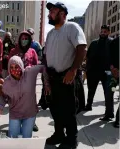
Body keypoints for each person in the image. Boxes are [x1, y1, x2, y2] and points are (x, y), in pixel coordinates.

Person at [44, 2, 87, 149]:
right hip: (53, 78)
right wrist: (46, 80)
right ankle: (58, 134)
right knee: (55, 109)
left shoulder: (72, 27)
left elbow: (81, 48)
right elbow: (45, 57)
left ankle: (71, 139)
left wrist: (73, 70)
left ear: (62, 13)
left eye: (53, 11)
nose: (49, 14)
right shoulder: (50, 34)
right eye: (49, 12)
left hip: (67, 78)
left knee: (68, 111)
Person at [0, 56, 50, 138]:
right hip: (15, 114)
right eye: (11, 67)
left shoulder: (30, 72)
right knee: (13, 139)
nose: (14, 70)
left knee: (26, 139)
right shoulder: (7, 82)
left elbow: (43, 67)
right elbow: (3, 96)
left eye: (17, 66)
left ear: (21, 65)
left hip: (30, 114)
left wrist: (46, 83)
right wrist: (0, 107)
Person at [8, 31, 39, 131]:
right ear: (19, 40)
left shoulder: (32, 51)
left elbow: (36, 65)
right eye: (22, 38)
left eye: (26, 39)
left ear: (29, 40)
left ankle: (32, 122)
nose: (24, 41)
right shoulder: (13, 51)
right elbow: (10, 65)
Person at [84, 25, 113, 112]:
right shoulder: (94, 43)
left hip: (107, 72)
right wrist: (87, 69)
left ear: (108, 32)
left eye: (105, 31)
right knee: (91, 90)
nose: (103, 33)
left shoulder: (112, 42)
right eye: (102, 31)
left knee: (108, 93)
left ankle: (108, 111)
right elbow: (87, 57)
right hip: (93, 71)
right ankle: (89, 105)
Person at [100, 35, 119, 123]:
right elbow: (109, 56)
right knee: (110, 93)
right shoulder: (114, 42)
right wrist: (112, 67)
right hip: (114, 74)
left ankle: (118, 119)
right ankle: (109, 113)